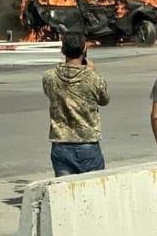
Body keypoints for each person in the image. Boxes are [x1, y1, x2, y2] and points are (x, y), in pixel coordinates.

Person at [42, 31, 110, 176]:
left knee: (64, 191)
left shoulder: (49, 77)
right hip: (87, 143)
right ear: (84, 49)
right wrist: (92, 72)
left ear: (63, 50)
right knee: (92, 190)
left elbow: (49, 93)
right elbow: (104, 100)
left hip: (61, 143)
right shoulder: (93, 78)